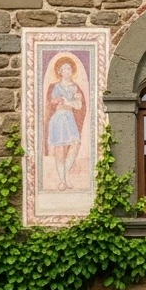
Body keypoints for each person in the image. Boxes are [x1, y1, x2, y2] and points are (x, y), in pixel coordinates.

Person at [44, 56, 85, 191]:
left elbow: (79, 106)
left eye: (68, 68)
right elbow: (52, 102)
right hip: (58, 119)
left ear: (72, 71)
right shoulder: (55, 86)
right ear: (59, 72)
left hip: (69, 118)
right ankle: (63, 181)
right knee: (60, 150)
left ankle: (65, 177)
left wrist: (67, 102)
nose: (66, 71)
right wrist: (62, 101)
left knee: (75, 145)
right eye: (63, 69)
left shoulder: (75, 87)